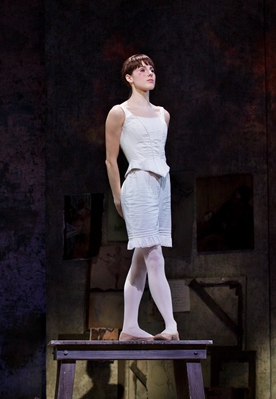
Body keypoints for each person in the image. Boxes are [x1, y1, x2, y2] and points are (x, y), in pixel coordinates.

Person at [104, 54, 178, 341]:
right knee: (154, 255)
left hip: (162, 184)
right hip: (137, 184)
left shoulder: (163, 113)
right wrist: (117, 197)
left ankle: (130, 327)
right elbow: (111, 160)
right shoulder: (119, 112)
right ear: (129, 77)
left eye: (152, 69)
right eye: (141, 69)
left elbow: (158, 152)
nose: (149, 73)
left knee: (140, 258)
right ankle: (170, 325)